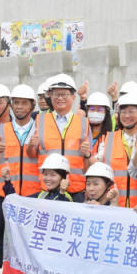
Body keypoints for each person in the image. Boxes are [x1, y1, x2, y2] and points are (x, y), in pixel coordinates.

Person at [0, 84, 40, 274]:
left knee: (30, 235)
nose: (19, 107)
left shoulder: (39, 128)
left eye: (24, 103)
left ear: (32, 106)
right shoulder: (1, 129)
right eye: (16, 103)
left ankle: (29, 272)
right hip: (5, 191)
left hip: (33, 192)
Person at [30, 73, 90, 202]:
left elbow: (88, 159)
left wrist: (87, 154)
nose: (60, 98)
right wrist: (31, 145)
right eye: (56, 94)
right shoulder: (40, 121)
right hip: (48, 189)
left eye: (64, 94)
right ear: (51, 96)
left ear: (73, 97)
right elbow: (31, 154)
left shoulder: (83, 122)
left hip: (76, 189)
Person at [100, 92, 137, 208]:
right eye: (123, 111)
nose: (127, 116)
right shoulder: (109, 139)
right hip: (114, 206)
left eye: (131, 111)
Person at [3, 154, 72, 201]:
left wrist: (62, 192)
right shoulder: (41, 195)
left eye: (53, 175)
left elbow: (60, 209)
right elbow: (17, 202)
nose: (48, 178)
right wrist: (7, 181)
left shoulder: (65, 198)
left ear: (63, 178)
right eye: (45, 174)